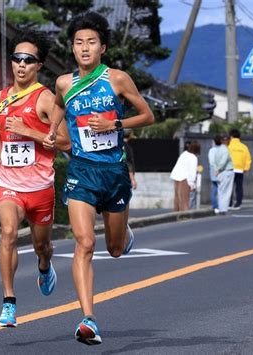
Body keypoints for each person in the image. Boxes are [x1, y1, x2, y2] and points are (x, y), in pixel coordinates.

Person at [43, 12, 154, 345]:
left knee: (115, 249)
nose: (85, 48)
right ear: (73, 49)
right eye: (79, 43)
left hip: (114, 172)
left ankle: (122, 232)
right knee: (85, 243)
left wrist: (115, 126)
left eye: (91, 42)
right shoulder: (64, 82)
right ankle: (88, 319)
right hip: (81, 171)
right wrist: (52, 130)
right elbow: (60, 105)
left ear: (102, 47)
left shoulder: (117, 79)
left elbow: (147, 115)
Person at [0, 30, 70, 328]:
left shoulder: (45, 99)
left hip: (40, 187)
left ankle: (44, 265)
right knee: (7, 232)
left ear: (39, 66)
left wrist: (30, 131)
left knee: (41, 246)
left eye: (28, 60)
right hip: (8, 182)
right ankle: (9, 302)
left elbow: (66, 144)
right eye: (16, 58)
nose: (21, 65)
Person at [170, 141, 200, 212]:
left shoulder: (184, 154)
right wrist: (192, 184)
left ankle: (176, 213)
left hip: (176, 176)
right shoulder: (193, 157)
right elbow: (192, 172)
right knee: (184, 199)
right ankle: (184, 215)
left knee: (177, 198)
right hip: (184, 178)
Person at [228, 129, 252, 210]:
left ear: (231, 136)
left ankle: (229, 203)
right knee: (239, 187)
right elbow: (248, 158)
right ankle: (238, 203)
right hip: (240, 169)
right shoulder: (244, 147)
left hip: (230, 169)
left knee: (229, 187)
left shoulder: (229, 146)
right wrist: (246, 168)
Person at [213, 134, 234, 214]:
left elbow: (214, 161)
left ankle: (221, 207)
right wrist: (218, 169)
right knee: (226, 192)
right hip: (226, 171)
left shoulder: (217, 149)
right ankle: (224, 209)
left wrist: (216, 170)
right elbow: (223, 161)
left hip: (220, 173)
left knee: (221, 191)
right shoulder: (226, 150)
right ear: (228, 140)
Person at [208, 135, 222, 210]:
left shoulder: (211, 150)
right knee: (221, 190)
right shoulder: (223, 150)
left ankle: (215, 206)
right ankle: (221, 206)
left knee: (214, 189)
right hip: (221, 171)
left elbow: (211, 161)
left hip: (213, 171)